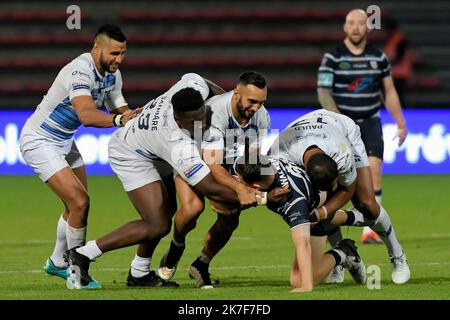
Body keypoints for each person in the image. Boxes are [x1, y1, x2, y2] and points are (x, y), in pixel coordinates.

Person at [63, 73, 285, 289]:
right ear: (179, 120)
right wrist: (262, 198)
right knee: (157, 223)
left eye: (203, 116)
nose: (203, 125)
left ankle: (139, 273)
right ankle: (83, 254)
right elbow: (210, 189)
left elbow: (199, 79)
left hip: (154, 147)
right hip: (131, 152)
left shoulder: (190, 89)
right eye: (195, 121)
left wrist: (224, 97)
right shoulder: (179, 144)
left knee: (166, 211)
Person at [19, 24, 140, 283]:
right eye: (114, 54)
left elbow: (122, 111)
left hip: (64, 141)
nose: (119, 60)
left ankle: (56, 261)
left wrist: (139, 119)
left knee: (76, 206)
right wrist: (121, 120)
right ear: (97, 49)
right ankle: (77, 272)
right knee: (79, 202)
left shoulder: (113, 76)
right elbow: (87, 115)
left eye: (123, 54)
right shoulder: (79, 70)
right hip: (39, 139)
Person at [269, 109, 411, 285]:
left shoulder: (342, 154)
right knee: (317, 206)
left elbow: (347, 189)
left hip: (342, 129)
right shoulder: (279, 155)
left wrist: (322, 212)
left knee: (367, 204)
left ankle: (397, 255)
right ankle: (342, 252)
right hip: (302, 139)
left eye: (334, 182)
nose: (334, 188)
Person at [157, 72, 271, 289]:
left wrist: (247, 182)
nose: (256, 108)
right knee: (192, 209)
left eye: (262, 102)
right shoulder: (216, 112)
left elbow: (251, 158)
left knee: (230, 216)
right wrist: (239, 188)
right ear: (236, 94)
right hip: (191, 154)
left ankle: (201, 264)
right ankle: (176, 246)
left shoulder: (262, 117)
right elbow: (211, 164)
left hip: (223, 160)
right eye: (252, 101)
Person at [317, 9, 408, 251]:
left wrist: (400, 122)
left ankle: (371, 229)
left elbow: (388, 91)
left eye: (361, 23)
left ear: (368, 27)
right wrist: (338, 119)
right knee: (336, 180)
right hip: (341, 125)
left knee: (374, 170)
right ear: (345, 28)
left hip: (370, 122)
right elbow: (324, 92)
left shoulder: (378, 58)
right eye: (351, 23)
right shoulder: (332, 57)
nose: (356, 27)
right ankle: (336, 237)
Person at [234, 154, 366, 292]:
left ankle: (344, 251)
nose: (238, 182)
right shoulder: (263, 165)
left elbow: (303, 243)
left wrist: (306, 286)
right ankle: (353, 217)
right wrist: (264, 197)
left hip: (318, 209)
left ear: (256, 186)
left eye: (241, 182)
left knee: (298, 280)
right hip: (312, 193)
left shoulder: (293, 201)